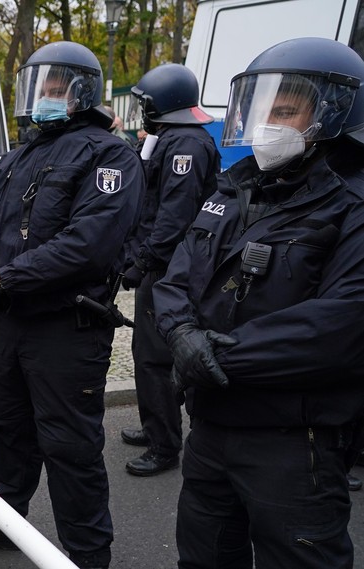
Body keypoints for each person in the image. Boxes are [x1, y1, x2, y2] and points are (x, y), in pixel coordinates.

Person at [153, 37, 364, 568]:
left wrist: (214, 357)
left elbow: (338, 325)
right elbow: (176, 279)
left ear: (337, 112)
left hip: (293, 443)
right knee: (203, 558)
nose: (269, 121)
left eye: (286, 110)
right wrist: (180, 336)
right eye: (263, 106)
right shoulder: (235, 189)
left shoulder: (351, 204)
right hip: (211, 431)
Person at [0, 41, 144, 569]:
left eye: (56, 87)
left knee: (69, 445)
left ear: (82, 91)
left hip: (67, 326)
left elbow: (90, 244)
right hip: (10, 324)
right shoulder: (21, 154)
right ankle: (2, 519)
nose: (45, 97)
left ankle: (86, 553)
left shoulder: (110, 154)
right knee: (8, 428)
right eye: (39, 86)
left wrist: (5, 280)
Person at [119, 64, 221, 477]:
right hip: (164, 264)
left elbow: (174, 217)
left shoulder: (185, 147)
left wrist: (142, 262)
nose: (142, 109)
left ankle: (164, 445)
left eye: (145, 102)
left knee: (154, 358)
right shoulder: (172, 138)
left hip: (169, 269)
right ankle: (155, 425)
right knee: (147, 352)